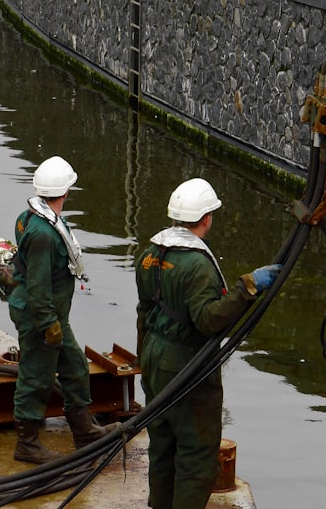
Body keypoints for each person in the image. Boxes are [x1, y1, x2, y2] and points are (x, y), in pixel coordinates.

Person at [135, 178, 282, 509]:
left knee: (162, 446)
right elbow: (207, 320)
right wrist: (248, 287)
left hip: (154, 358)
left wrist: (144, 359)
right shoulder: (197, 265)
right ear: (205, 219)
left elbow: (144, 311)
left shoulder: (150, 254)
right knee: (196, 456)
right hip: (187, 364)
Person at [8, 156, 118, 464]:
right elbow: (39, 285)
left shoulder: (30, 216)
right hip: (41, 317)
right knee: (37, 376)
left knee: (74, 367)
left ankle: (84, 431)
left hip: (51, 315)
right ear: (66, 192)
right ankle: (27, 444)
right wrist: (48, 326)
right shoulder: (43, 234)